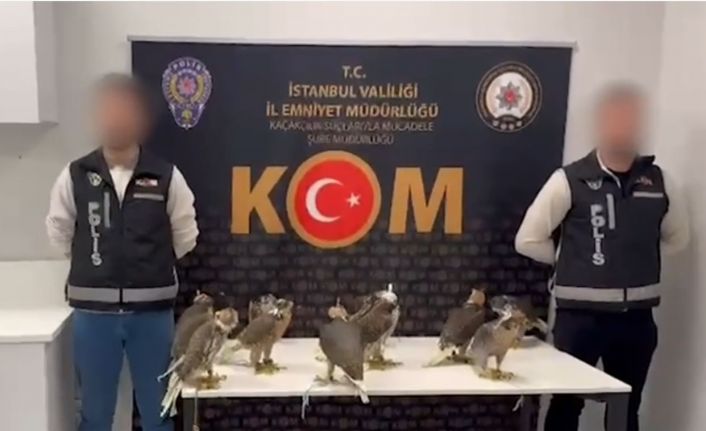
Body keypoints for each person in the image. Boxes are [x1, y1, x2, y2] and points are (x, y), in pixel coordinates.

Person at [515, 84, 689, 431]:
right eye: (614, 119)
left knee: (627, 408)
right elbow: (528, 240)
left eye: (630, 119)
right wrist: (573, 259)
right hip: (579, 319)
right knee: (566, 406)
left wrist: (631, 257)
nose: (622, 127)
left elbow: (677, 239)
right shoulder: (569, 180)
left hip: (637, 320)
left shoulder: (660, 182)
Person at [46, 73, 198, 431]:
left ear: (141, 120)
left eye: (125, 111)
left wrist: (147, 267)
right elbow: (59, 231)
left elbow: (185, 235)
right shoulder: (75, 175)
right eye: (109, 111)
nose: (116, 119)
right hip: (93, 314)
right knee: (95, 414)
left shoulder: (166, 176)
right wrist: (96, 264)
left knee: (159, 412)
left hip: (153, 315)